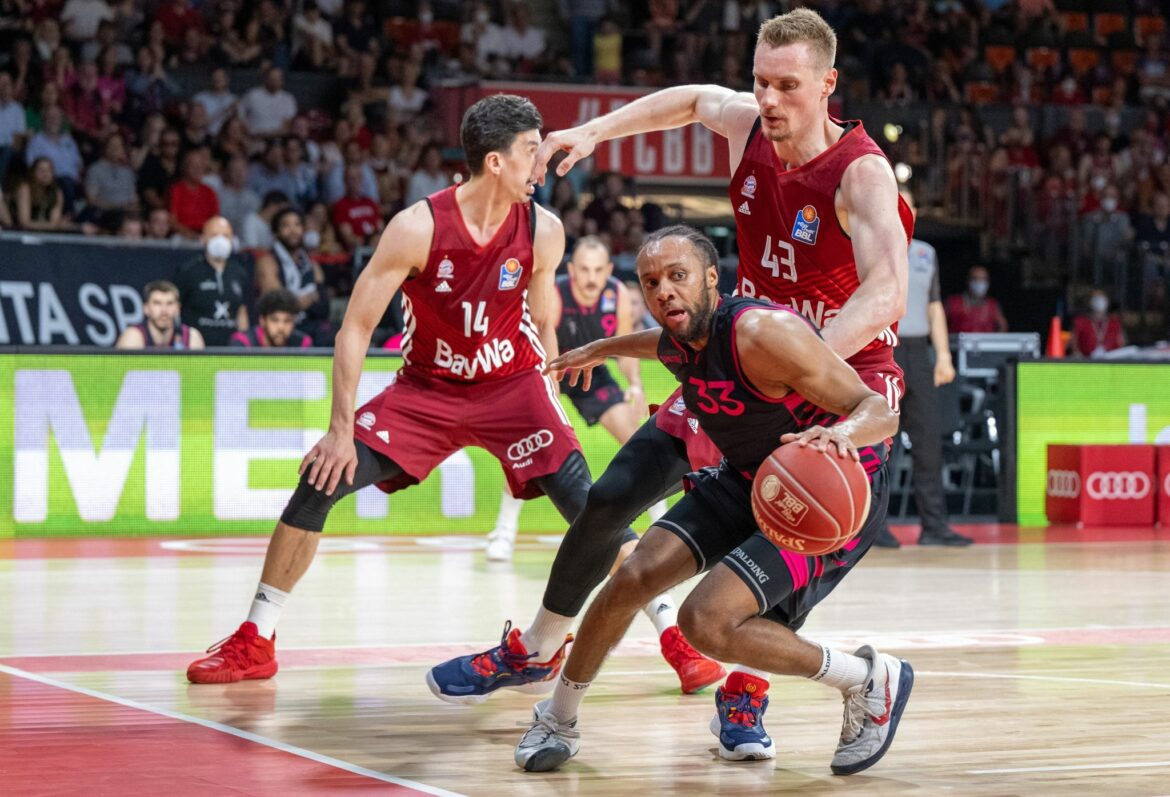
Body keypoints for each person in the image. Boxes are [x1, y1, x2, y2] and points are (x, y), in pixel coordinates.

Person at [428, 10, 911, 747]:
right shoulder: (751, 126)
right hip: (739, 363)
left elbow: (887, 293)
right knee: (613, 495)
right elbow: (690, 99)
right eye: (761, 81)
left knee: (788, 531)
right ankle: (539, 648)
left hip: (828, 382)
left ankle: (750, 690)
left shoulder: (861, 172)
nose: (769, 99)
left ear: (827, 84)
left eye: (788, 85)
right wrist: (595, 132)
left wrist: (798, 357)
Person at [185, 95, 693, 691]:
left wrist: (553, 377)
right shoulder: (417, 227)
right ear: (496, 162)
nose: (544, 163)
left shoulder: (544, 229)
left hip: (512, 388)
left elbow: (540, 317)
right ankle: (256, 639)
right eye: (533, 150)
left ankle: (673, 637)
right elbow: (354, 328)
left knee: (594, 506)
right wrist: (340, 430)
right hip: (427, 391)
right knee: (319, 477)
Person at [513, 226, 911, 775]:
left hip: (827, 491)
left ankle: (864, 677)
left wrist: (841, 436)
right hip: (749, 477)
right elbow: (654, 344)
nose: (664, 292)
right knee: (631, 578)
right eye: (652, 283)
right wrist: (601, 347)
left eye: (677, 277)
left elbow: (878, 408)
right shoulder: (681, 337)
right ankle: (557, 717)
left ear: (710, 279)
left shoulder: (763, 333)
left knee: (705, 622)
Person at [485, 234, 671, 563]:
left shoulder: (617, 294)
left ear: (609, 270)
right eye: (584, 269)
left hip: (591, 370)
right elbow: (541, 340)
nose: (590, 277)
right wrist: (549, 391)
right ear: (571, 270)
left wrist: (635, 385)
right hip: (546, 367)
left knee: (637, 436)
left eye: (598, 270)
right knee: (530, 446)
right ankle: (504, 531)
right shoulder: (554, 292)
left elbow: (626, 349)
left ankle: (661, 526)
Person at [874, 190, 971, 549]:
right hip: (883, 349)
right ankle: (874, 529)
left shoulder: (926, 253)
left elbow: (934, 307)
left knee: (929, 442)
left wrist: (943, 355)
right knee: (884, 446)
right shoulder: (869, 245)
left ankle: (934, 526)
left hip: (918, 352)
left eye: (908, 203)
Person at [254, 208, 332, 341]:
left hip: (311, 326)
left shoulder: (311, 264)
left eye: (297, 225)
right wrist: (311, 297)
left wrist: (296, 301)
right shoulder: (268, 261)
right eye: (286, 225)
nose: (293, 230)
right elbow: (278, 305)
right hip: (280, 329)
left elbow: (324, 306)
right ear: (276, 232)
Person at [172, 216, 250, 346]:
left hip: (230, 349)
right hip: (196, 348)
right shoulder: (188, 271)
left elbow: (241, 312)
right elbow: (175, 309)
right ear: (203, 238)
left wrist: (243, 344)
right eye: (214, 235)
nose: (220, 240)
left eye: (226, 235)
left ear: (232, 240)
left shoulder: (239, 273)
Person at [115, 279, 205, 349]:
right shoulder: (133, 338)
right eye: (157, 303)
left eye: (170, 303)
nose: (164, 311)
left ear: (178, 308)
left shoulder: (191, 338)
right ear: (146, 308)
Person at [230, 288, 313, 348]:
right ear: (262, 320)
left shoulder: (303, 344)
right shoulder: (244, 343)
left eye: (287, 321)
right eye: (274, 320)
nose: (281, 327)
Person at [944, 266, 1008, 333]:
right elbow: (939, 323)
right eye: (975, 279)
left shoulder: (993, 305)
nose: (979, 283)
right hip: (958, 342)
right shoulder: (953, 302)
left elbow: (1003, 326)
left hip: (985, 342)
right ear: (968, 280)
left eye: (983, 279)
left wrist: (995, 341)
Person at [1071, 288, 1125, 357]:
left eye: (1102, 297)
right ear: (1089, 301)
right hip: (1087, 362)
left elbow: (1121, 345)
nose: (1099, 300)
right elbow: (1074, 347)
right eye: (1096, 297)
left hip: (1111, 362)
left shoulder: (1114, 323)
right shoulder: (1080, 322)